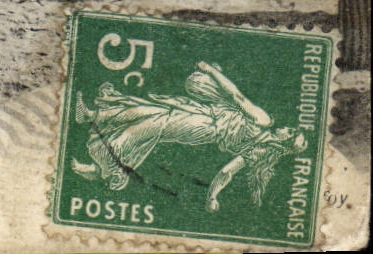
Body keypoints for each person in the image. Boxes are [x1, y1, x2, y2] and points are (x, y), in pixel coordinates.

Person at [70, 61, 306, 212]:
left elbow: (237, 96)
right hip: (206, 115)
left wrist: (210, 71)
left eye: (291, 133)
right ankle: (94, 117)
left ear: (285, 140)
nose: (288, 128)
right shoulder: (259, 151)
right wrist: (212, 197)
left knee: (155, 123)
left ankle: (103, 166)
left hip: (205, 126)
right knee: (154, 111)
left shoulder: (264, 122)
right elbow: (226, 172)